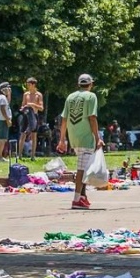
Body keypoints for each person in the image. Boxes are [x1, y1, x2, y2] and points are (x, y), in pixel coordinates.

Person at [57, 73, 104, 210]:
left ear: (79, 84)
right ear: (91, 84)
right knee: (82, 169)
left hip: (74, 136)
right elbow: (92, 117)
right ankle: (76, 199)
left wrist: (62, 139)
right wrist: (97, 137)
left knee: (85, 166)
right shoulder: (91, 96)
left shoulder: (70, 97)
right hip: (86, 136)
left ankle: (83, 196)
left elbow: (64, 119)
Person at [17, 77, 44, 161]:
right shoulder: (26, 94)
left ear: (33, 85)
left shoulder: (38, 95)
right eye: (27, 84)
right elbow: (23, 105)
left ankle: (32, 155)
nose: (28, 86)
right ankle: (20, 155)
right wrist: (23, 108)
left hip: (34, 115)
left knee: (34, 135)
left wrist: (33, 104)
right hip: (26, 115)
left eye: (29, 84)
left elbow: (41, 108)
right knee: (23, 134)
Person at [0, 82, 12, 162]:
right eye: (7, 88)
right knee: (1, 139)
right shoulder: (1, 97)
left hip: (2, 119)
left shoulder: (2, 97)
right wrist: (7, 119)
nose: (9, 89)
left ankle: (0, 156)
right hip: (3, 120)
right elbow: (2, 109)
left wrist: (9, 94)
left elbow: (7, 104)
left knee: (3, 139)